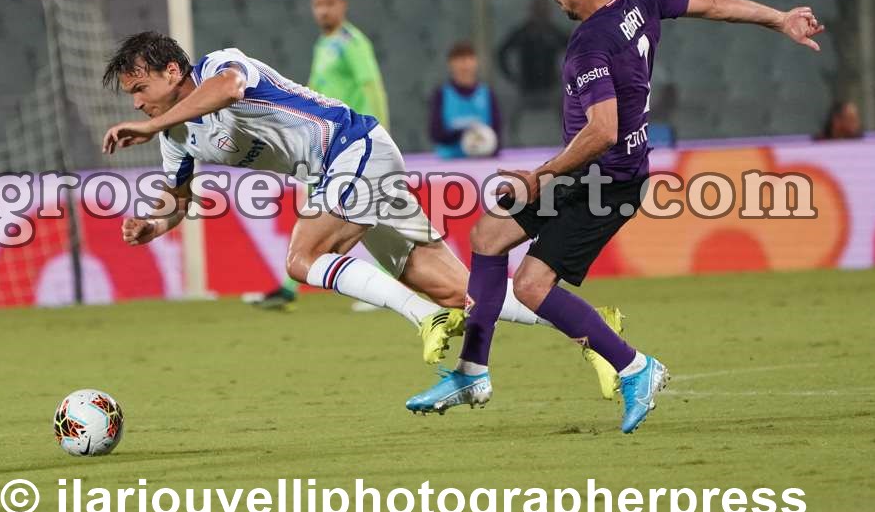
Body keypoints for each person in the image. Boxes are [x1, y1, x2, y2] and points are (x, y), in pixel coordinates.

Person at [405, 0, 825, 433]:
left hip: (608, 182)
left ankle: (635, 367)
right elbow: (714, 5)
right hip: (585, 171)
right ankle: (472, 371)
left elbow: (603, 131)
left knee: (532, 286)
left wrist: (540, 177)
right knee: (488, 235)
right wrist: (778, 18)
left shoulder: (589, 46)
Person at [100, 32, 560, 368]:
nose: (137, 104)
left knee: (302, 258)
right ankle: (586, 328)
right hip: (347, 170)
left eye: (140, 89)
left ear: (172, 71)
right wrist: (152, 225)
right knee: (459, 291)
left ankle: (424, 317)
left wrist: (150, 126)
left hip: (352, 147)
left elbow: (229, 90)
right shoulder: (176, 137)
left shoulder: (219, 65)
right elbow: (177, 200)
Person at [253, 0, 390, 310]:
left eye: (329, 4)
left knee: (372, 216)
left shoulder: (351, 43)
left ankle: (385, 285)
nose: (323, 11)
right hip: (324, 144)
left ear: (343, 5)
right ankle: (289, 288)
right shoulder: (323, 44)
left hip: (353, 143)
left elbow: (371, 87)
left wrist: (380, 135)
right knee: (318, 211)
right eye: (318, 4)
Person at [496, 0, 568, 138]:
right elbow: (501, 53)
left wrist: (565, 75)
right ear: (531, 11)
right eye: (537, 10)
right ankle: (511, 142)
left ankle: (569, 141)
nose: (540, 14)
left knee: (568, 112)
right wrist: (511, 76)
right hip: (526, 88)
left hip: (550, 87)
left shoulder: (553, 32)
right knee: (511, 117)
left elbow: (575, 50)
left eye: (543, 10)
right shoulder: (523, 32)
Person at [430, 41, 502, 159]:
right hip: (450, 162)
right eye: (459, 59)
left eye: (469, 58)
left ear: (476, 62)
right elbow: (436, 133)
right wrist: (464, 134)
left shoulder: (487, 94)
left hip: (483, 162)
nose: (465, 64)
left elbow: (497, 132)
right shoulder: (442, 94)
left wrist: (485, 143)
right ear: (450, 64)